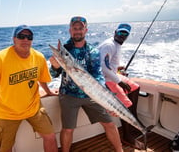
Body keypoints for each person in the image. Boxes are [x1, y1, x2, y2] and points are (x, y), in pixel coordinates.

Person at [49, 16, 123, 152]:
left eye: (80, 28)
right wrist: (54, 67)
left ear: (86, 30)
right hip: (68, 96)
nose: (77, 31)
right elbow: (54, 75)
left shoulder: (93, 51)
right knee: (68, 129)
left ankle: (120, 151)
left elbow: (98, 76)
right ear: (70, 30)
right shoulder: (64, 49)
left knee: (110, 124)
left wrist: (105, 100)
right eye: (75, 28)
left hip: (91, 96)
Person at [98, 23, 145, 150]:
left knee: (135, 87)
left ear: (128, 35)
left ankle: (133, 119)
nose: (122, 36)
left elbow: (109, 65)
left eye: (125, 34)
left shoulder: (117, 45)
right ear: (115, 32)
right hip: (106, 79)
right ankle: (127, 136)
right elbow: (102, 67)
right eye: (120, 33)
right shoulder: (109, 45)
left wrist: (118, 70)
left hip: (113, 75)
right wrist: (119, 81)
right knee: (126, 105)